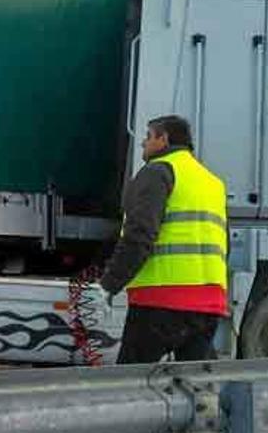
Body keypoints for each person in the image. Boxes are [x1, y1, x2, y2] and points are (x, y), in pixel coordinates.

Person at [96, 115, 229, 364]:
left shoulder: (157, 171)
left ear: (163, 139)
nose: (143, 144)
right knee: (193, 386)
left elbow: (139, 235)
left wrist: (108, 285)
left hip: (161, 301)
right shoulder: (212, 182)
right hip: (209, 303)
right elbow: (222, 245)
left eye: (148, 137)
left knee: (133, 383)